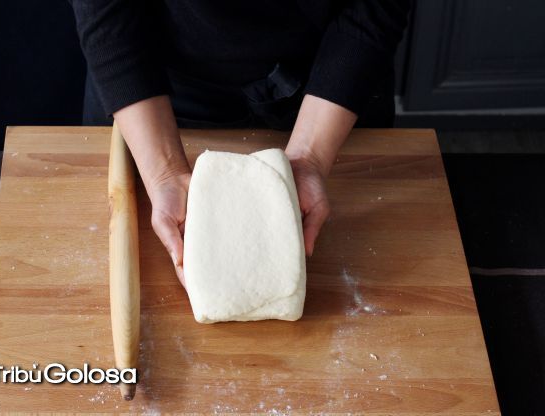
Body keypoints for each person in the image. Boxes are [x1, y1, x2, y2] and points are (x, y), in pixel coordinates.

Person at [70, 1, 410, 285]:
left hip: (335, 78)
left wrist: (310, 158)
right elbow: (105, 12)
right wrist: (163, 173)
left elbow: (376, 5)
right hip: (154, 85)